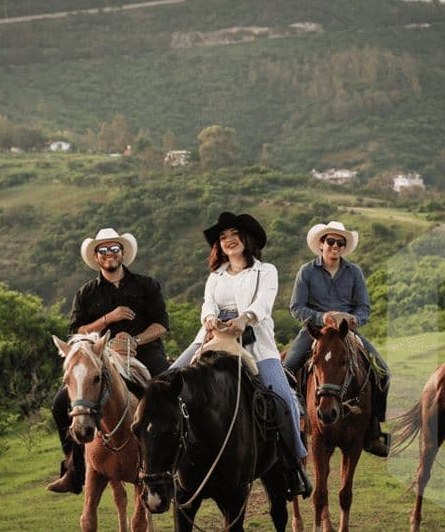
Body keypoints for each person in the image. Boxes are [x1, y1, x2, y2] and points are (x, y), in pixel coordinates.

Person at [169, 211, 312, 500]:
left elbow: (264, 303)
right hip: (212, 338)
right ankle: (162, 465)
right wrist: (209, 318)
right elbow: (208, 304)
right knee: (165, 382)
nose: (229, 241)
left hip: (255, 343)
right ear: (219, 246)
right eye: (223, 238)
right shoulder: (215, 276)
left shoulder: (265, 271)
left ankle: (294, 464)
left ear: (246, 239)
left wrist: (245, 319)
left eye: (234, 235)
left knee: (284, 401)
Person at [47, 227, 170, 494]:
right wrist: (108, 319)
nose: (109, 254)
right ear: (96, 257)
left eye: (114, 249)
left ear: (123, 253)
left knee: (171, 393)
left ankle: (179, 462)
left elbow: (161, 324)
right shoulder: (86, 293)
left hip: (144, 350)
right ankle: (74, 470)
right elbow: (77, 331)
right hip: (99, 356)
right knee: (60, 405)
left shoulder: (146, 285)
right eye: (103, 250)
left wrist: (135, 340)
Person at [283, 221, 391, 457]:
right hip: (315, 332)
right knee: (287, 368)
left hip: (346, 333)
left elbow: (364, 308)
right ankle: (297, 418)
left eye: (340, 243)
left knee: (383, 371)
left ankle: (373, 429)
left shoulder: (355, 273)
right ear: (321, 244)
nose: (335, 246)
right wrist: (324, 317)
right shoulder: (307, 271)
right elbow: (296, 308)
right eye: (330, 242)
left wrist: (352, 320)